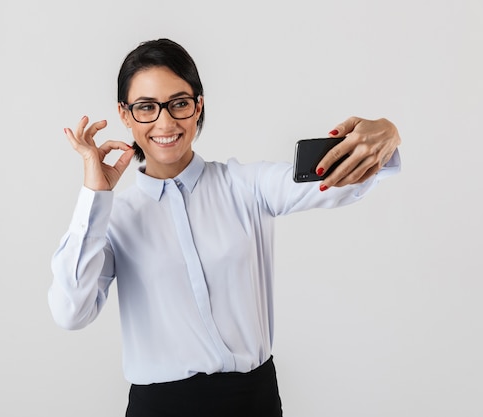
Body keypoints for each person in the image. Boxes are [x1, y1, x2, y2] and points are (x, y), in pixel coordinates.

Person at [48, 38, 401, 417]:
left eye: (179, 103)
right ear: (125, 113)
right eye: (146, 107)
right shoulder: (113, 219)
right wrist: (94, 195)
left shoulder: (247, 186)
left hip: (253, 402)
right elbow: (71, 311)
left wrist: (386, 136)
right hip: (161, 409)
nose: (165, 122)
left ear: (198, 105)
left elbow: (337, 185)